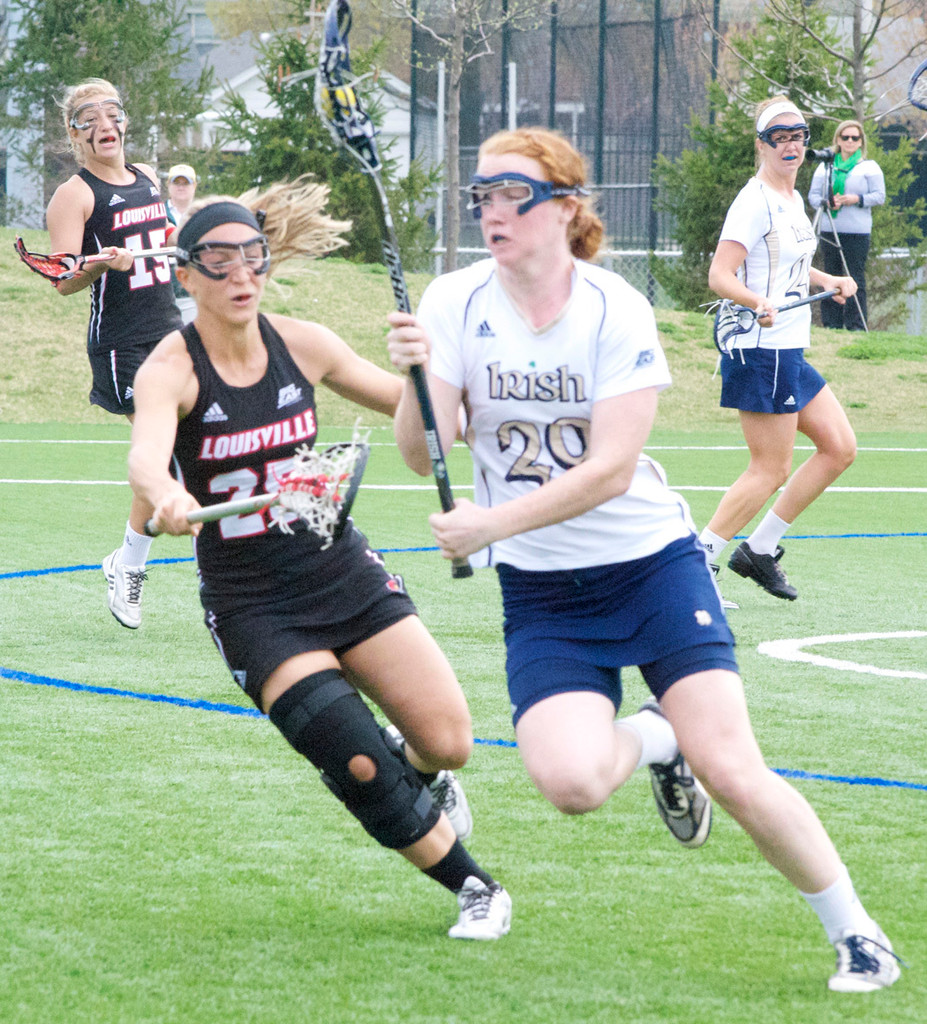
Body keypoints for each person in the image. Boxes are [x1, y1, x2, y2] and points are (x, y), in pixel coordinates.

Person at [385, 126, 901, 991]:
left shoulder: (611, 307)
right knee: (570, 782)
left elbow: (610, 469)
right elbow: (421, 450)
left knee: (733, 769)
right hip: (544, 592)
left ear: (563, 205)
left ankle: (856, 933)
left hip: (649, 563)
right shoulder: (451, 303)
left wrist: (492, 523)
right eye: (481, 193)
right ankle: (660, 736)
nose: (491, 210)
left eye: (511, 192)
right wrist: (413, 378)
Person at [126, 182, 512, 941]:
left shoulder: (304, 342)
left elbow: (428, 422)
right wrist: (165, 493)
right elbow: (144, 458)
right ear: (186, 274)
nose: (240, 275)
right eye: (219, 261)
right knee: (358, 762)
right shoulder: (169, 369)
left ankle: (420, 777)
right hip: (252, 605)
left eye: (252, 258)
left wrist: (417, 373)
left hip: (341, 571)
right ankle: (476, 887)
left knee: (446, 743)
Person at [699, 96, 859, 603]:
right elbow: (720, 275)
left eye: (798, 136)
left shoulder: (791, 199)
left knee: (839, 448)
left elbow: (789, 263)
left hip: (788, 345)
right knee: (769, 468)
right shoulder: (754, 201)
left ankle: (760, 549)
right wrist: (754, 300)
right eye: (780, 137)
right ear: (762, 144)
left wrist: (828, 277)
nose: (791, 145)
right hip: (759, 346)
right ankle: (696, 565)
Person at [46, 78, 183, 629]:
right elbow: (61, 280)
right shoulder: (74, 195)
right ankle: (129, 565)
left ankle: (126, 560)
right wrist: (101, 263)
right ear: (75, 135)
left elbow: (166, 249)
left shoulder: (149, 178)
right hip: (121, 343)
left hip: (171, 330)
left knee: (192, 448)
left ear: (125, 122)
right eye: (88, 117)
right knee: (164, 452)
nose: (104, 124)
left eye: (112, 113)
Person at [808, 120, 885, 331]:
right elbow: (813, 196)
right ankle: (831, 324)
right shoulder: (826, 167)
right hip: (830, 228)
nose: (850, 141)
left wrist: (856, 199)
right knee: (830, 274)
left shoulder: (869, 167)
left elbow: (879, 196)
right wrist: (827, 202)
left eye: (855, 138)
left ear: (861, 142)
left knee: (854, 276)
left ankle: (856, 325)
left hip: (857, 231)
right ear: (838, 140)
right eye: (845, 137)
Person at [165, 163, 199, 325]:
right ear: (168, 185)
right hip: (164, 292)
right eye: (176, 182)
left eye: (186, 183)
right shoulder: (157, 212)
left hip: (194, 291)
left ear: (194, 186)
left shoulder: (203, 214)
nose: (181, 187)